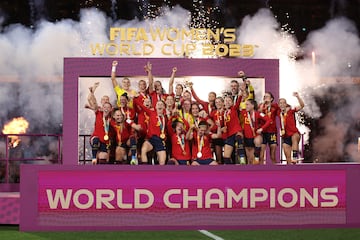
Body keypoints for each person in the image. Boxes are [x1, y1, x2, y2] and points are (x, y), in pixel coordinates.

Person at [134, 97, 168, 165]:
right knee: (143, 150)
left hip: (160, 140)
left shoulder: (166, 117)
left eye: (161, 104)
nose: (160, 106)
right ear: (155, 106)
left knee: (162, 162)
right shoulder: (151, 113)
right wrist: (134, 98)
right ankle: (145, 170)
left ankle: (161, 175)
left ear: (164, 107)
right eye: (158, 104)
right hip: (151, 139)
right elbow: (141, 106)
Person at [240, 99, 271, 164]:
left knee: (258, 141)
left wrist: (261, 129)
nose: (246, 106)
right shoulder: (244, 112)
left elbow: (268, 120)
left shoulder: (258, 113)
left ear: (253, 106)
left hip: (255, 136)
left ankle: (257, 158)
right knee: (250, 160)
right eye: (246, 105)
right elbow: (236, 106)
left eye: (247, 104)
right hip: (247, 137)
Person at [278, 92, 305, 164]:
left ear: (286, 104)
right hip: (285, 136)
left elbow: (302, 105)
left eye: (284, 103)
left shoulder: (291, 111)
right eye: (280, 103)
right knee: (288, 160)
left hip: (294, 133)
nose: (282, 104)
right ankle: (290, 172)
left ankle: (295, 157)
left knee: (294, 137)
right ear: (278, 105)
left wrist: (297, 96)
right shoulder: (278, 113)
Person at [258, 92, 280, 164]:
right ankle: (260, 172)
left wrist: (270, 105)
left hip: (272, 132)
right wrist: (262, 107)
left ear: (271, 99)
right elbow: (258, 114)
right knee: (261, 155)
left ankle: (276, 171)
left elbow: (281, 108)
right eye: (264, 97)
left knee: (272, 155)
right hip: (263, 132)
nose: (265, 98)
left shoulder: (275, 106)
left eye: (267, 97)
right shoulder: (261, 106)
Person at [222, 95, 243, 164]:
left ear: (232, 103)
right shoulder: (223, 113)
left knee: (239, 139)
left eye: (229, 101)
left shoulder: (234, 109)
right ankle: (230, 172)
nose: (227, 102)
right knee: (226, 157)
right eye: (226, 101)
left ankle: (242, 160)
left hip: (236, 132)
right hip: (229, 135)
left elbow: (238, 102)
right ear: (223, 103)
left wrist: (241, 94)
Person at [209, 97, 226, 163]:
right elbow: (212, 125)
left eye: (219, 102)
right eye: (216, 102)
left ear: (223, 103)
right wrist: (219, 129)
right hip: (217, 136)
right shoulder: (213, 113)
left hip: (226, 136)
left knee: (227, 156)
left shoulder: (226, 111)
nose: (218, 103)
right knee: (218, 158)